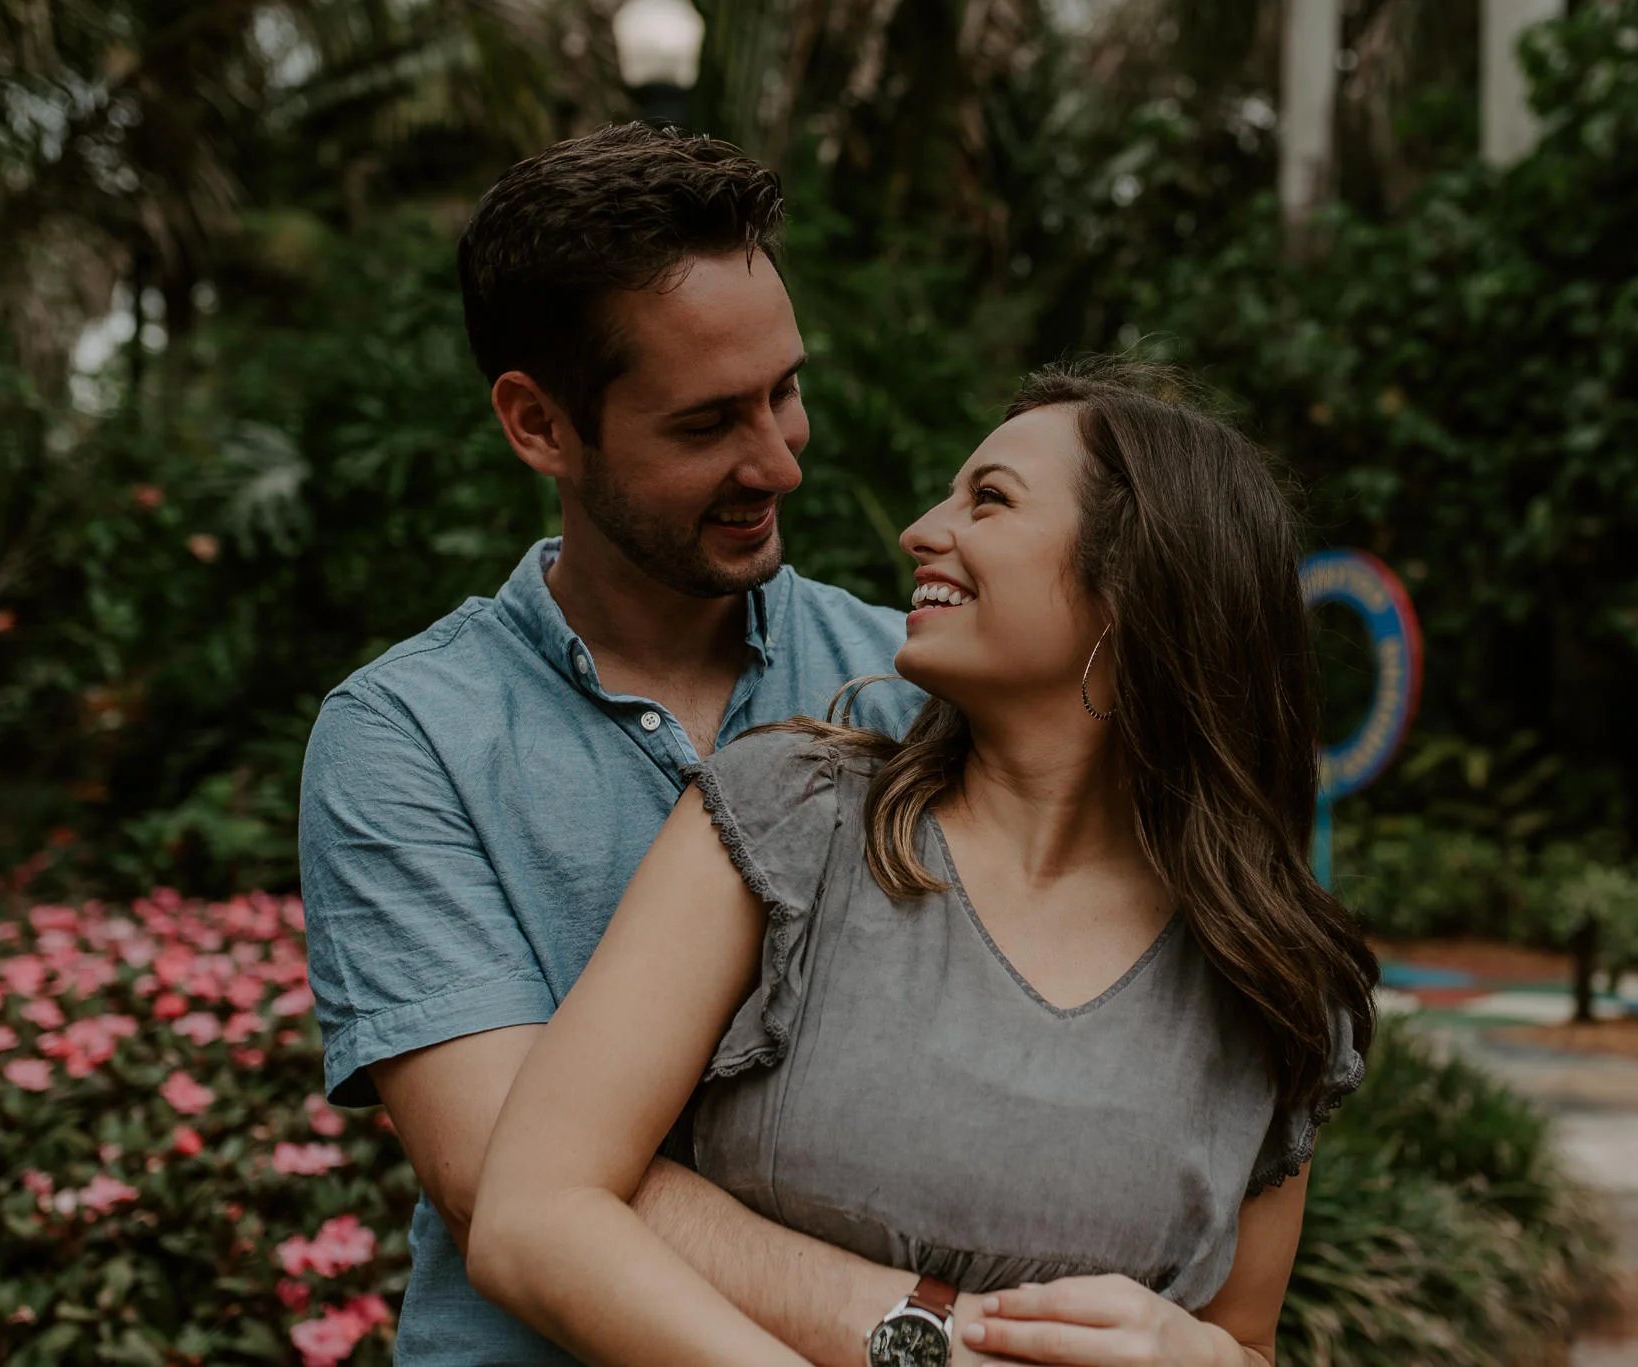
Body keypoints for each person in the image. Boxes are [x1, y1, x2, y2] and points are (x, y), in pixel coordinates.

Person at [466, 360, 1382, 1366]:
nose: (919, 529)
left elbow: (1243, 1336)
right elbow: (532, 1212)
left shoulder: (1271, 974)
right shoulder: (790, 815)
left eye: (986, 498)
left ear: (1134, 581)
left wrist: (1202, 1359)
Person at [297, 124, 993, 1365]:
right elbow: (508, 1183)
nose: (777, 457)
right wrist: (933, 1333)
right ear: (537, 424)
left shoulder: (918, 683)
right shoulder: (405, 738)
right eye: (706, 421)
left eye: (784, 388)